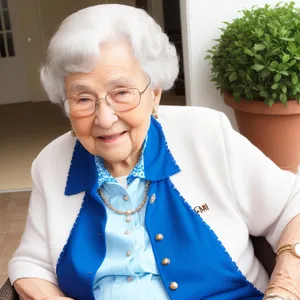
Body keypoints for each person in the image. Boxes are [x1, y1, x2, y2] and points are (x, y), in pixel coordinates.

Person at [8, 4, 300, 300]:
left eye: (121, 92)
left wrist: (284, 290)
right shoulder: (51, 163)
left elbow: (292, 204)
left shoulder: (204, 133)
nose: (105, 118)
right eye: (83, 98)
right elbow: (31, 262)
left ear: (155, 92)